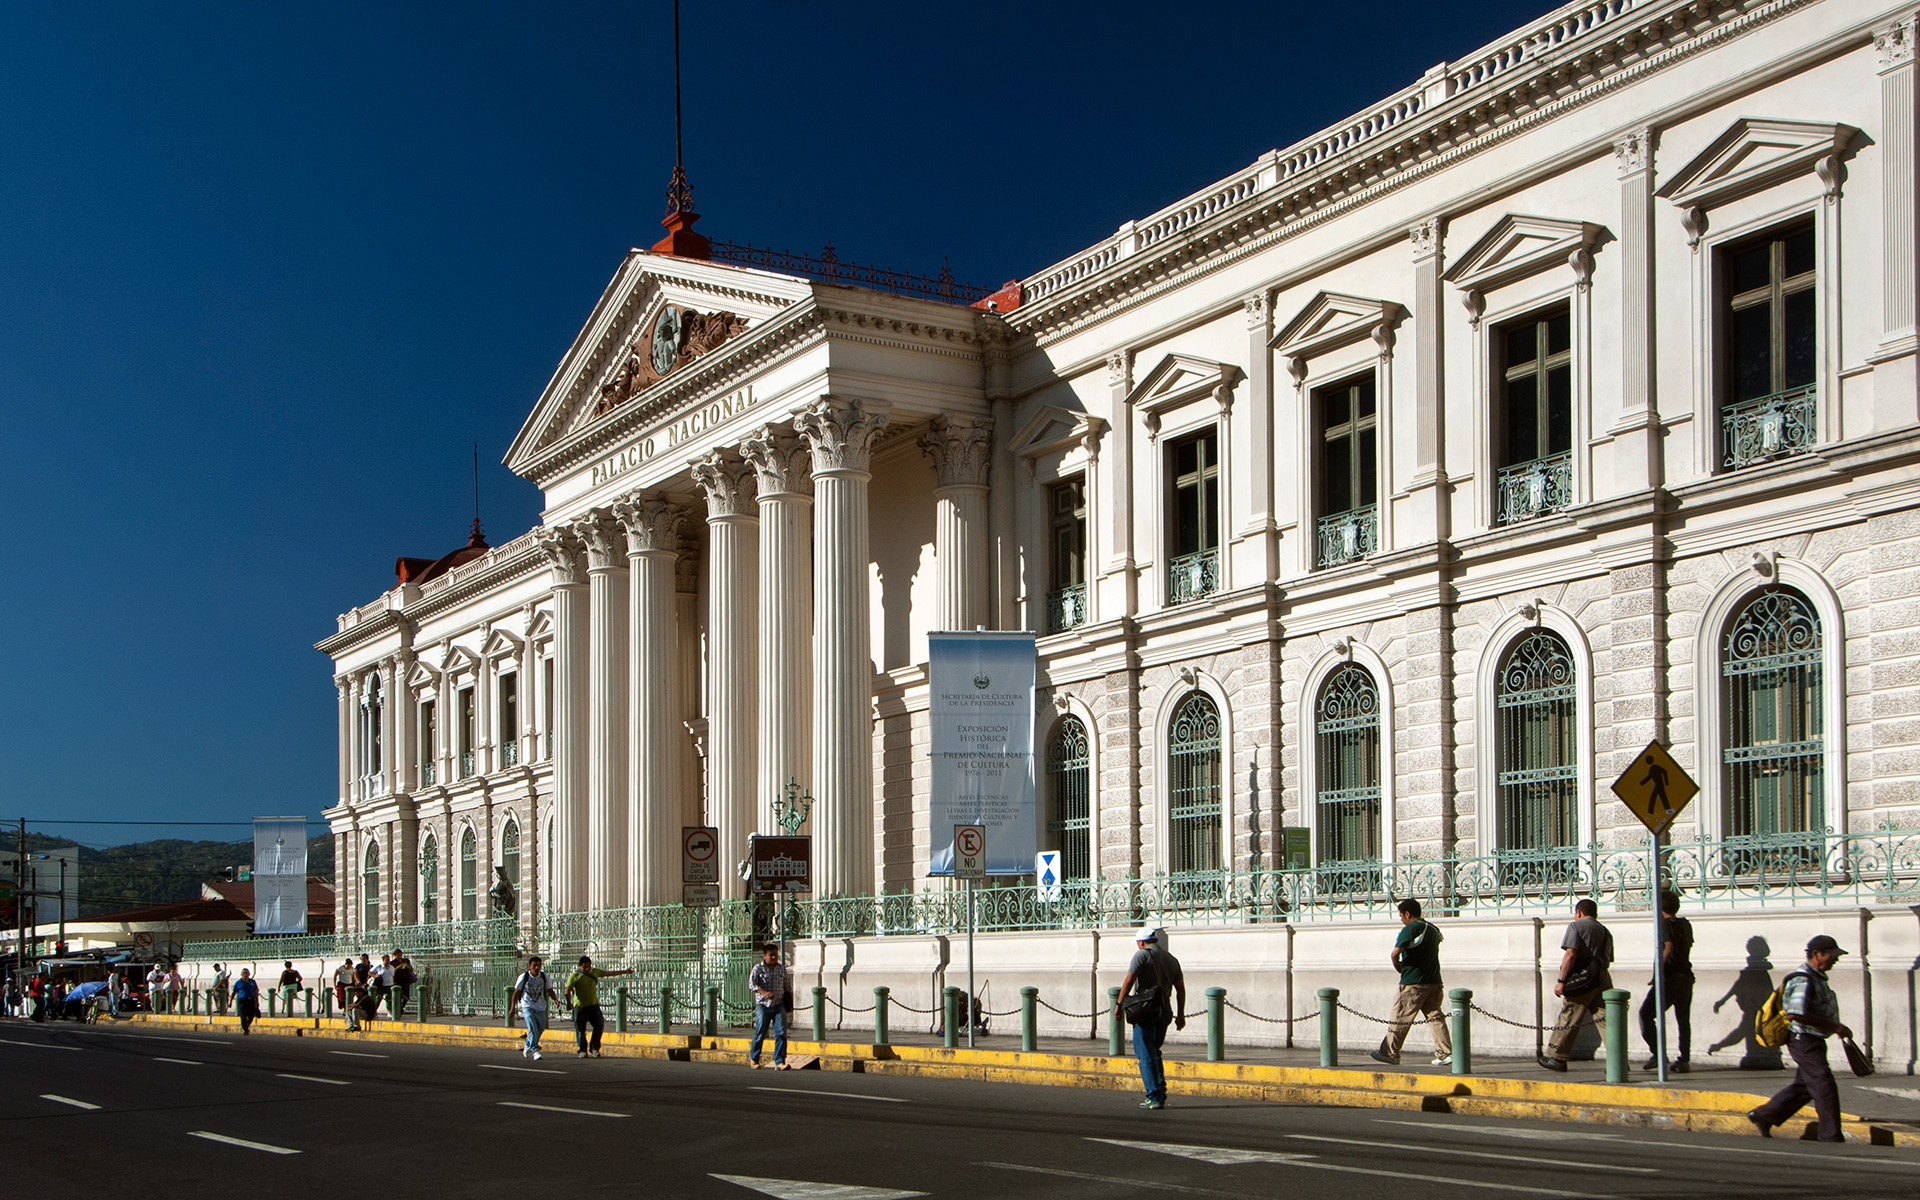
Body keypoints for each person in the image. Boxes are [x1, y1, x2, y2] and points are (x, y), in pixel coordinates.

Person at [1749, 935, 1853, 1143]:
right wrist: (1834, 1026)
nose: (1835, 960)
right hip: (1803, 1039)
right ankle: (1830, 1135)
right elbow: (1796, 1013)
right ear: (1817, 954)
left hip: (1812, 1039)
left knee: (1806, 1084)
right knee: (1823, 1083)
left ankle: (1765, 1115)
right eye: (1832, 955)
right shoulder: (1803, 979)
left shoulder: (1817, 978)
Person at [1370, 898, 1453, 1067]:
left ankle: (1390, 1053)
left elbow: (1395, 954)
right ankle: (1445, 1053)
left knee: (1400, 1017)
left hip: (1413, 981)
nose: (1401, 919)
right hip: (1434, 980)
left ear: (1407, 914)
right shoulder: (1433, 929)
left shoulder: (1411, 929)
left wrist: (1398, 967)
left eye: (1401, 916)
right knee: (1435, 1017)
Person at [1114, 927, 1186, 1110]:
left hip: (1145, 1011)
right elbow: (1180, 990)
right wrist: (1180, 1015)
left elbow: (1129, 980)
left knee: (1145, 1053)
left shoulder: (1141, 956)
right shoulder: (1171, 959)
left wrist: (1119, 1005)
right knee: (1154, 1050)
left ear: (1141, 942)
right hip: (1165, 1010)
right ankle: (1160, 1088)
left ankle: (1153, 1095)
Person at [1539, 899, 1614, 1072]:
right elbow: (1608, 958)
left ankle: (1557, 1057)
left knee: (1570, 1015)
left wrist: (1561, 981)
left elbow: (1570, 953)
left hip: (1583, 977)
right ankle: (1618, 1059)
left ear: (1579, 912)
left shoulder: (1576, 927)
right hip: (1602, 976)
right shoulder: (1604, 930)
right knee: (1605, 1019)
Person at [1640, 889, 1694, 1073]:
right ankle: (1684, 1059)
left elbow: (1668, 946)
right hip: (1686, 976)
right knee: (1683, 1020)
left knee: (1646, 1014)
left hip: (1670, 976)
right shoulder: (1685, 924)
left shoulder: (1663, 923)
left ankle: (1658, 1053)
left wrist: (1657, 973)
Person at [563, 955, 632, 1058]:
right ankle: (582, 1050)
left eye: (589, 967)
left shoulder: (595, 972)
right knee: (580, 1030)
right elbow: (567, 990)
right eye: (585, 967)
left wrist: (624, 972)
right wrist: (569, 1003)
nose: (587, 969)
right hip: (580, 1007)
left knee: (599, 1025)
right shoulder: (575, 976)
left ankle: (594, 1048)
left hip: (593, 1006)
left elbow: (609, 973)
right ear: (579, 966)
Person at [748, 943, 791, 1070]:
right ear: (765, 956)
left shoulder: (781, 969)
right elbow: (752, 984)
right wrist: (764, 992)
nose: (773, 958)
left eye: (775, 955)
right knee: (761, 1032)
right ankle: (754, 1058)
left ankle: (780, 1061)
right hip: (763, 1005)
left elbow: (786, 985)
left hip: (779, 1004)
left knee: (781, 1033)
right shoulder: (758, 969)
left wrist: (788, 1002)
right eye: (771, 955)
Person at [511, 955, 558, 1060]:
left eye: (538, 965)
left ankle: (528, 1043)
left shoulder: (544, 977)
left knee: (540, 1029)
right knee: (532, 1028)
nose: (536, 968)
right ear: (529, 967)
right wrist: (512, 1008)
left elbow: (550, 990)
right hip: (527, 1006)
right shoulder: (524, 977)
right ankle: (535, 1050)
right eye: (534, 966)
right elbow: (516, 993)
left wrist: (555, 999)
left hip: (540, 1006)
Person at [232, 968, 261, 1034]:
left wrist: (257, 1001)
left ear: (249, 974)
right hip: (242, 1001)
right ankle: (245, 1029)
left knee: (251, 1015)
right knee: (243, 1015)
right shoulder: (238, 983)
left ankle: (246, 1025)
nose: (245, 975)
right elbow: (234, 992)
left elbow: (256, 992)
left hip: (250, 1000)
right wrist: (230, 1002)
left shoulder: (252, 982)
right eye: (243, 973)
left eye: (246, 973)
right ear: (241, 974)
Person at [391, 951, 416, 1019]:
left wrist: (407, 966)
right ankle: (398, 1010)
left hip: (405, 980)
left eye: (400, 955)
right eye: (398, 955)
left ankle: (401, 1007)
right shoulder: (393, 963)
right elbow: (392, 971)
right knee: (398, 996)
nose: (399, 956)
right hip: (397, 981)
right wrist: (399, 967)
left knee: (406, 996)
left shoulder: (406, 961)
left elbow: (411, 969)